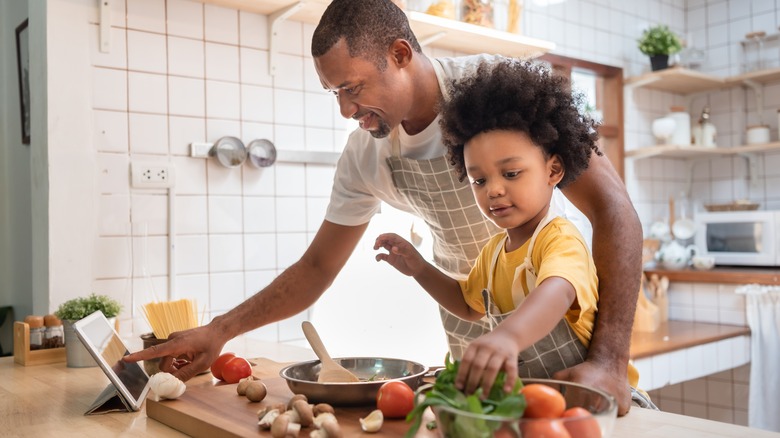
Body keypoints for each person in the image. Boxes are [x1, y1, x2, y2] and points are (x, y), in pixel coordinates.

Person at [125, 0, 643, 414]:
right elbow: (317, 267)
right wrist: (221, 330)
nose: (347, 110)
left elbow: (614, 210)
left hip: (560, 326)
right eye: (334, 93)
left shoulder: (494, 91)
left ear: (399, 54)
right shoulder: (366, 154)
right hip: (471, 321)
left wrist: (609, 361)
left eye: (352, 88)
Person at [375, 58, 620, 398]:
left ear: (553, 171)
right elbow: (467, 306)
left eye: (511, 173)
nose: (493, 190)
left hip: (593, 402)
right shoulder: (493, 253)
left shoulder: (558, 239)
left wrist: (508, 336)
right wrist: (419, 268)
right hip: (535, 408)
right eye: (479, 179)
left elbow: (558, 291)